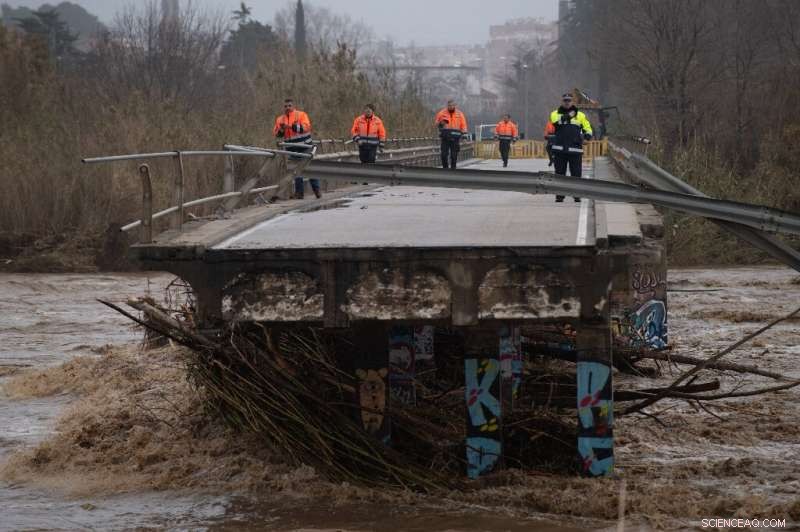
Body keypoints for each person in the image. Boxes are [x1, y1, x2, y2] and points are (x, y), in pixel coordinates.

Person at [547, 92, 593, 202]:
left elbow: (588, 127)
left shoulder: (581, 115)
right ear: (562, 101)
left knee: (576, 175)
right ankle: (560, 195)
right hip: (559, 149)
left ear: (572, 102)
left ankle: (576, 195)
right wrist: (571, 114)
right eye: (565, 100)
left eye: (569, 100)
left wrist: (587, 137)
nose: (567, 102)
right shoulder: (554, 113)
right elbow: (556, 124)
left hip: (575, 149)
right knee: (559, 174)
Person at [274, 98, 320, 199]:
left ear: (293, 106)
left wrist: (290, 126)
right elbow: (277, 134)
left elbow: (306, 127)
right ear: (283, 107)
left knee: (309, 168)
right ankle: (299, 193)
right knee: (296, 171)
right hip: (292, 148)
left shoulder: (301, 115)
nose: (287, 108)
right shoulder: (279, 119)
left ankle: (317, 190)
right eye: (285, 106)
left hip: (305, 146)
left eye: (289, 106)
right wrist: (282, 129)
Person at [434, 100, 468, 169]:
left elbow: (463, 126)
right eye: (449, 105)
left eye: (453, 105)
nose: (451, 107)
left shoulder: (459, 114)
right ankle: (445, 168)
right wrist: (441, 124)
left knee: (454, 156)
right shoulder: (442, 113)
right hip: (445, 137)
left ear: (455, 105)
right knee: (444, 155)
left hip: (455, 138)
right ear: (447, 106)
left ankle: (453, 169)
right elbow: (436, 123)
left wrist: (464, 137)